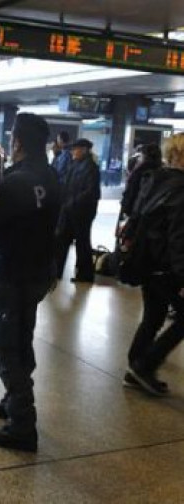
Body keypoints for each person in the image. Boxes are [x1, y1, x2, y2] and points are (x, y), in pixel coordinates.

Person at [0, 113, 60, 452]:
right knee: (22, 335)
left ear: (16, 142)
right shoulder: (50, 175)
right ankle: (12, 400)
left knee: (8, 345)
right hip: (37, 271)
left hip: (12, 271)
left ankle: (22, 425)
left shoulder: (16, 179)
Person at [125, 133, 184, 395]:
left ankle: (135, 366)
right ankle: (145, 365)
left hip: (148, 261)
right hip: (168, 266)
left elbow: (137, 216)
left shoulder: (155, 180)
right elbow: (179, 237)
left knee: (153, 316)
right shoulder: (182, 188)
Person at [55, 138, 101, 283]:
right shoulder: (75, 164)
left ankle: (85, 274)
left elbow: (91, 191)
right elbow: (67, 185)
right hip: (69, 209)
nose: (73, 152)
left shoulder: (90, 167)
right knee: (62, 240)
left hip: (82, 212)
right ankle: (56, 271)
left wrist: (73, 202)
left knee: (82, 242)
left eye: (75, 149)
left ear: (84, 150)